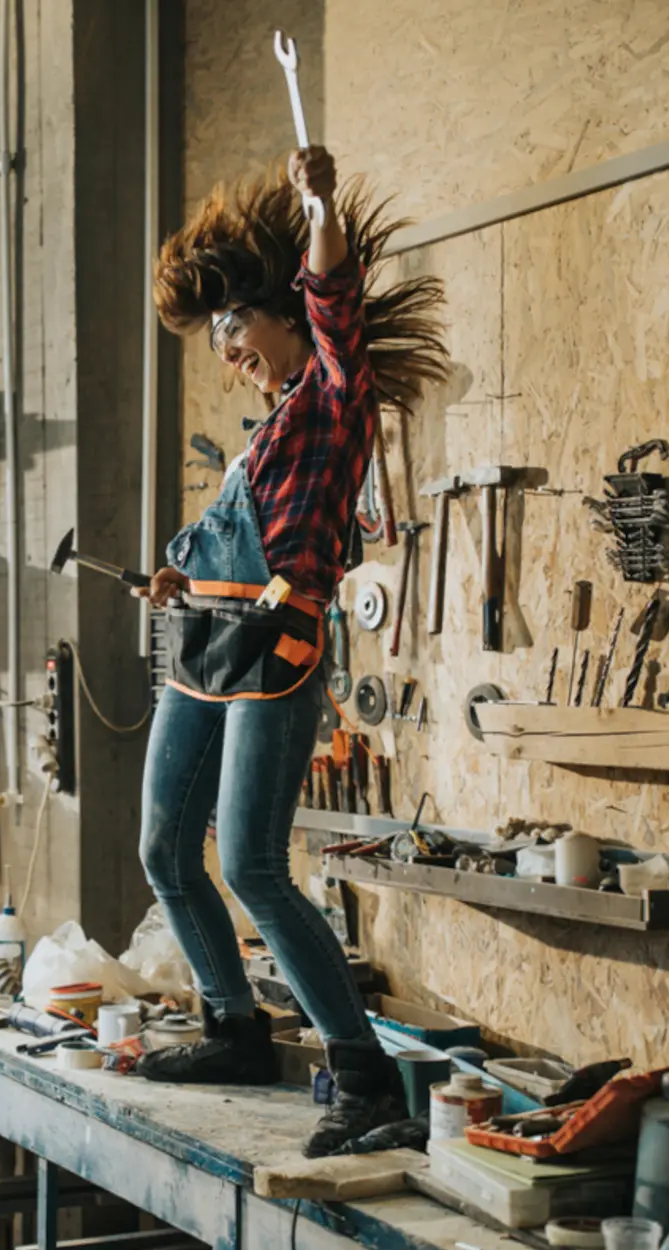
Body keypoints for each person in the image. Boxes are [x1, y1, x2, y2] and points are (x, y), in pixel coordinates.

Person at [134, 145, 447, 1157]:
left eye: (237, 329)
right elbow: (233, 539)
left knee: (255, 865)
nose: (231, 353)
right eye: (220, 338)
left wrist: (319, 208)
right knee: (161, 850)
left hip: (276, 647)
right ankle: (232, 1026)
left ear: (284, 316)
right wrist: (179, 575)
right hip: (205, 639)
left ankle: (366, 1082)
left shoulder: (333, 396)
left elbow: (333, 295)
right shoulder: (265, 437)